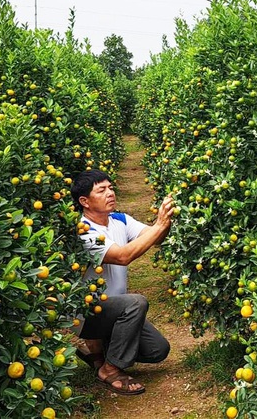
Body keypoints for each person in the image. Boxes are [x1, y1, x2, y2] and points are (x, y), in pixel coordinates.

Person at [71, 169, 175, 396]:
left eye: (110, 187)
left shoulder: (119, 219)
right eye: (101, 190)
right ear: (84, 201)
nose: (110, 193)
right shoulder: (83, 231)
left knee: (158, 350)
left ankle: (98, 352)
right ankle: (110, 369)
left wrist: (165, 221)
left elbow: (154, 237)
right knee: (135, 303)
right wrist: (159, 225)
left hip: (113, 311)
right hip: (88, 313)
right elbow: (122, 256)